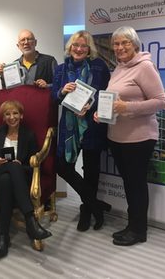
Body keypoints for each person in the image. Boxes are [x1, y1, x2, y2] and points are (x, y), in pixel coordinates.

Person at [94, 26, 165, 246]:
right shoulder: (119, 68)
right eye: (116, 44)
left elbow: (161, 102)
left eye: (124, 42)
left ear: (135, 44)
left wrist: (127, 107)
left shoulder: (145, 67)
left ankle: (139, 231)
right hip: (118, 137)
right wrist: (102, 113)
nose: (119, 47)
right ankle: (132, 225)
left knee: (135, 184)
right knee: (129, 183)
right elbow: (113, 101)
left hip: (139, 138)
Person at [52, 30, 111, 231]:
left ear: (89, 49)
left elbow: (106, 94)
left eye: (83, 46)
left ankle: (86, 211)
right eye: (75, 45)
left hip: (92, 125)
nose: (78, 49)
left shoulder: (99, 67)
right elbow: (54, 97)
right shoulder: (60, 69)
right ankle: (95, 206)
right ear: (70, 47)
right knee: (62, 166)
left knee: (91, 170)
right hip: (68, 127)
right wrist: (62, 91)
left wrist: (90, 106)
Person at [0, 100, 52, 259]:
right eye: (7, 114)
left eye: (15, 113)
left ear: (21, 115)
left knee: (7, 178)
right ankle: (31, 221)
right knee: (9, 170)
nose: (11, 117)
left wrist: (20, 165)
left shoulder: (29, 135)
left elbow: (34, 165)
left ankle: (2, 237)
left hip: (15, 176)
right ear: (3, 117)